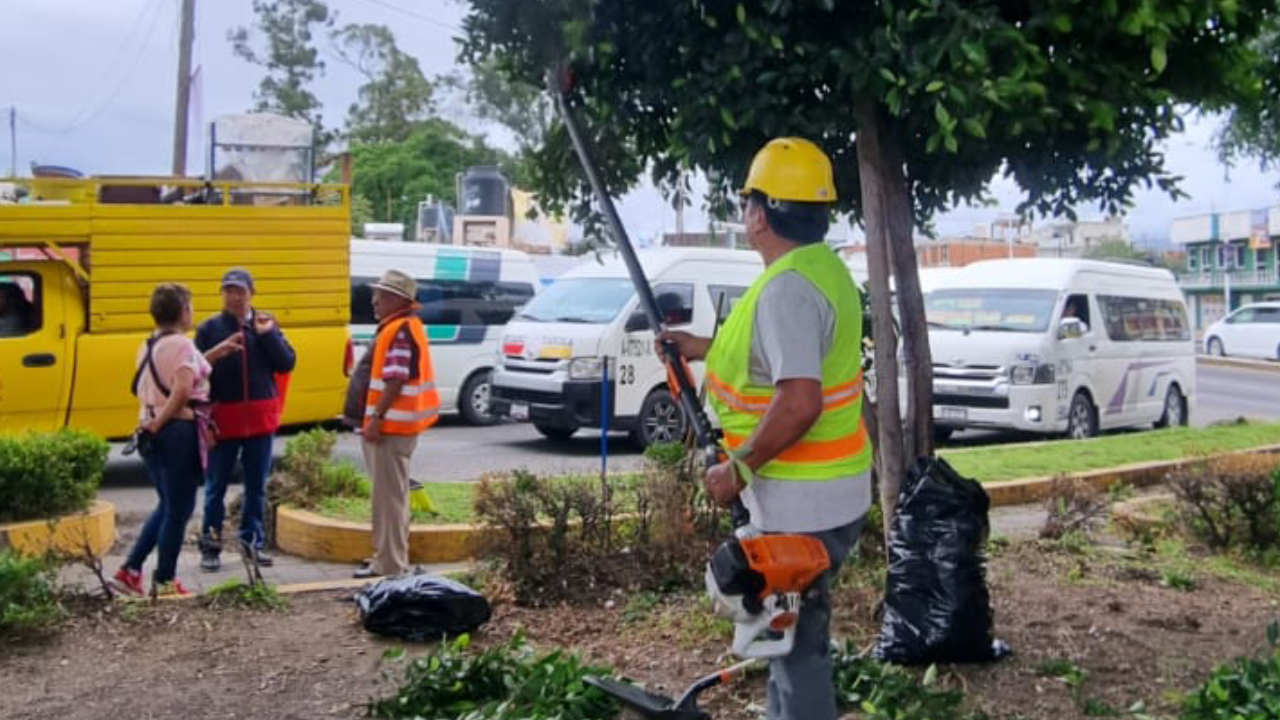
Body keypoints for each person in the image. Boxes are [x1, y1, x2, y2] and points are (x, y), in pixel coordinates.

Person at [658, 138, 873, 720]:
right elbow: (781, 357)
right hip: (833, 494)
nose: (745, 213)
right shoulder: (821, 270)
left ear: (759, 214)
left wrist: (738, 468)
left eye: (749, 202)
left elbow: (800, 401)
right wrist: (701, 348)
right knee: (794, 634)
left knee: (793, 643)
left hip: (803, 503)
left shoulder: (786, 288)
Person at [113, 283, 244, 597]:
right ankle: (165, 580)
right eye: (191, 306)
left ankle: (130, 569)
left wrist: (216, 351)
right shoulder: (183, 346)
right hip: (175, 435)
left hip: (150, 434)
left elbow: (183, 372)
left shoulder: (150, 344)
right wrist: (162, 422)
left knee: (167, 505)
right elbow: (183, 389)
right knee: (179, 510)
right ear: (183, 311)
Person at [195, 268, 297, 571]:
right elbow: (195, 370)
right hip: (223, 420)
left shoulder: (265, 324)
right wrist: (215, 354)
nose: (234, 296)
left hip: (260, 420)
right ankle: (210, 547)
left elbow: (287, 362)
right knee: (215, 487)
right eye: (228, 291)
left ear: (252, 292)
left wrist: (268, 337)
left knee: (256, 487)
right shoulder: (210, 329)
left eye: (239, 290)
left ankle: (252, 544)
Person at [342, 269, 439, 579]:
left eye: (381, 295)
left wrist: (376, 419)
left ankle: (392, 565)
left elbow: (395, 380)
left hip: (389, 429)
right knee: (390, 497)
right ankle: (387, 559)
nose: (374, 300)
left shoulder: (399, 330)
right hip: (393, 428)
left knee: (389, 500)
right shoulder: (400, 326)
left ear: (399, 300)